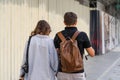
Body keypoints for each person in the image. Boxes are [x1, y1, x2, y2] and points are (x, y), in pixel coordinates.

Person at [54, 12, 95, 80]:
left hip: (62, 72)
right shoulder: (82, 35)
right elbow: (92, 54)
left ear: (64, 22)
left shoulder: (58, 35)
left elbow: (54, 54)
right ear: (76, 22)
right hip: (78, 73)